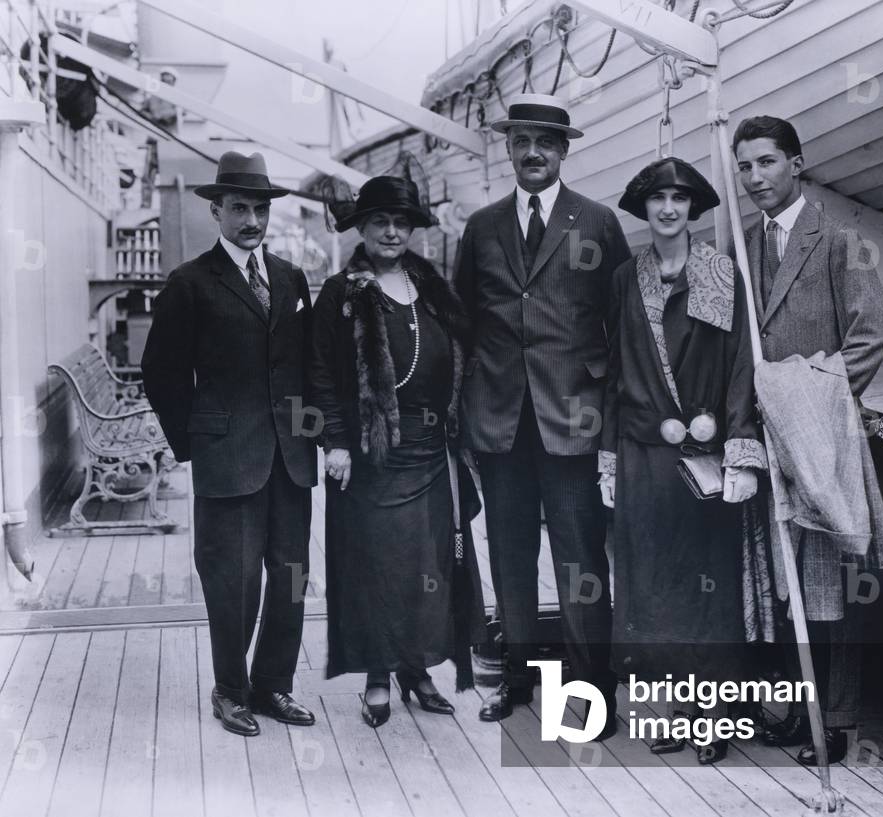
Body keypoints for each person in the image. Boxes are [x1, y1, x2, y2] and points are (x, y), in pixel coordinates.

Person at [454, 93, 632, 735]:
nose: (533, 152)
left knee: (581, 563)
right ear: (508, 148)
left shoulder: (598, 223)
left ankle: (588, 694)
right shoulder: (482, 227)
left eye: (546, 143)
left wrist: (611, 420)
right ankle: (517, 679)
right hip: (499, 419)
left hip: (574, 420)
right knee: (510, 556)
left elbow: (622, 326)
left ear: (563, 151)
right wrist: (464, 411)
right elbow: (462, 323)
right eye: (522, 141)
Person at [732, 115, 883, 764]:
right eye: (744, 166)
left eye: (766, 162)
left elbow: (870, 336)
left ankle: (839, 721)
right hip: (768, 441)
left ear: (796, 164)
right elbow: (734, 346)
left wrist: (807, 398)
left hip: (824, 437)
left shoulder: (839, 241)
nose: (754, 177)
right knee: (785, 582)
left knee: (834, 582)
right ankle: (799, 713)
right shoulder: (740, 246)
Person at [142, 151, 317, 737]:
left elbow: (307, 365)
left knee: (291, 576)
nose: (251, 220)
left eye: (260, 210)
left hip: (291, 458)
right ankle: (230, 691)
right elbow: (161, 371)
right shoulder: (190, 283)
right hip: (227, 456)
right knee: (233, 581)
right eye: (239, 208)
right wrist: (198, 440)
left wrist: (314, 433)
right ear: (216, 211)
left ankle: (273, 685)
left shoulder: (290, 279)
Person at [599, 157, 766, 763]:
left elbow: (741, 365)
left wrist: (741, 450)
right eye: (657, 198)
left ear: (693, 207)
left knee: (707, 587)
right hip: (642, 454)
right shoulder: (625, 278)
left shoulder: (719, 272)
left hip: (704, 457)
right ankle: (678, 708)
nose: (668, 208)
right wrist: (607, 457)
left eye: (679, 198)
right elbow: (614, 370)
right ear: (644, 208)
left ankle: (715, 716)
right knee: (651, 584)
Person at [308, 175, 486, 729]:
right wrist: (336, 442)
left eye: (401, 222)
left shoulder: (431, 287)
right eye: (380, 222)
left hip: (433, 452)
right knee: (377, 568)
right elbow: (319, 373)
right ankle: (378, 676)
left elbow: (466, 356)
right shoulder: (341, 293)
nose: (391, 232)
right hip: (372, 452)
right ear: (361, 228)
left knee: (427, 567)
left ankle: (418, 669)